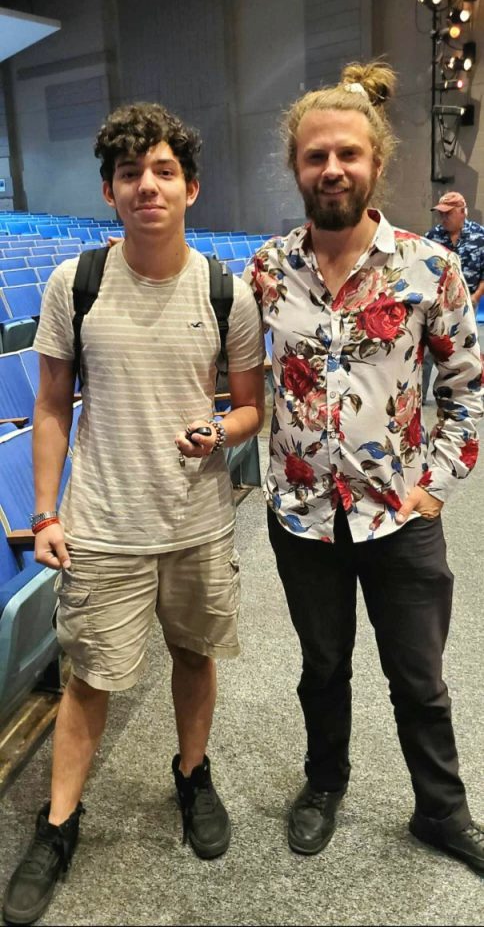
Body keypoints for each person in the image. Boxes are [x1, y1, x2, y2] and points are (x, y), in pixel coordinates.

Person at [3, 103, 265, 926]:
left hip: (195, 521)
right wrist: (44, 511)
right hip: (105, 522)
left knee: (195, 655)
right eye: (128, 174)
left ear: (191, 186)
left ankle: (192, 775)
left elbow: (252, 407)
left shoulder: (228, 292)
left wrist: (220, 428)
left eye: (161, 171)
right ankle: (58, 823)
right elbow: (50, 406)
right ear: (111, 192)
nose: (145, 186)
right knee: (90, 681)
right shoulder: (73, 284)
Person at [243, 62, 483, 873]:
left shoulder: (430, 268)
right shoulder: (268, 269)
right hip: (302, 514)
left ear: (377, 162)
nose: (332, 169)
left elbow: (469, 392)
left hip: (398, 513)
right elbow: (239, 375)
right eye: (316, 157)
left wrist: (435, 487)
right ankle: (323, 782)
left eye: (347, 154)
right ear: (296, 168)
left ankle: (441, 813)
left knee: (419, 677)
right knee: (322, 665)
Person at [422, 192, 484, 401]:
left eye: (448, 214)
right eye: (441, 214)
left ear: (462, 212)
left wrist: (475, 298)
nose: (443, 218)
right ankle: (420, 398)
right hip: (436, 304)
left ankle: (466, 396)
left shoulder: (480, 237)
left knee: (466, 351)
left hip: (468, 303)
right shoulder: (431, 237)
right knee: (428, 353)